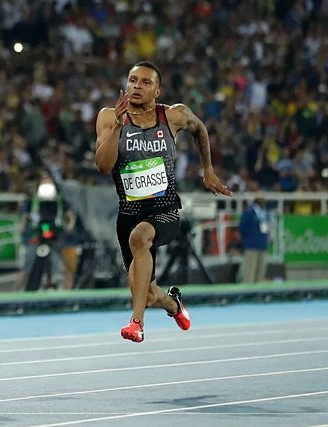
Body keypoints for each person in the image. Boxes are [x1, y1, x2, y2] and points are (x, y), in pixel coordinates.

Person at [94, 61, 233, 343]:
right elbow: (103, 166)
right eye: (133, 80)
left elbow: (200, 129)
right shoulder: (109, 117)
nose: (136, 86)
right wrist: (118, 128)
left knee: (140, 237)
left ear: (158, 90)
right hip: (129, 213)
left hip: (165, 210)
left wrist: (208, 169)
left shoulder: (173, 115)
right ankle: (173, 304)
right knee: (145, 294)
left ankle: (136, 324)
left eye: (145, 82)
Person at [238, 193, 269, 283]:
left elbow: (266, 229)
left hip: (262, 245)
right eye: (261, 202)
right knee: (249, 272)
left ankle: (258, 293)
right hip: (251, 245)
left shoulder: (265, 214)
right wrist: (247, 239)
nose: (263, 204)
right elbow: (242, 228)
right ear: (256, 202)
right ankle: (247, 293)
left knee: (260, 271)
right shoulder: (249, 212)